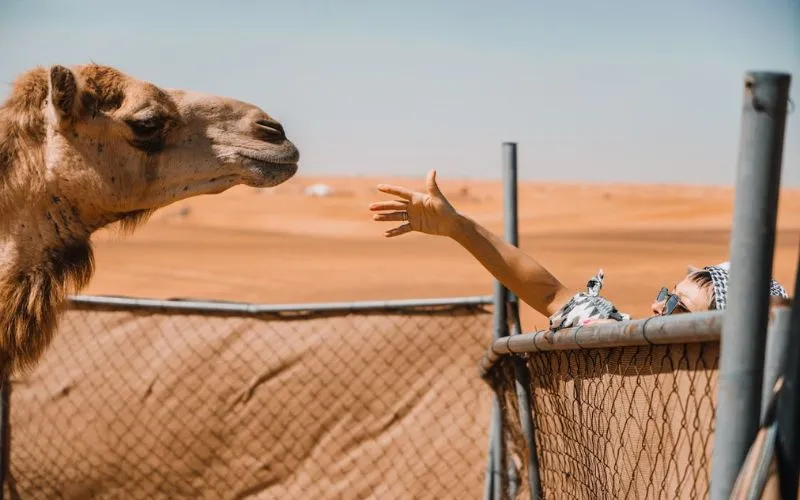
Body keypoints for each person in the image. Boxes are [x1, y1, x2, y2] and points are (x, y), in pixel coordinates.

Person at [369, 170, 789, 329]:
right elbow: (552, 295)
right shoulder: (620, 338)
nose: (657, 307)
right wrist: (460, 228)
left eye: (678, 306)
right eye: (666, 294)